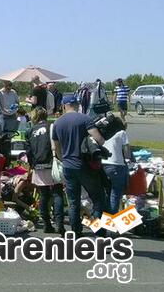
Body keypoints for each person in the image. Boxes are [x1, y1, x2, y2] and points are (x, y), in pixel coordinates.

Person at [52, 95, 107, 235]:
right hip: (85, 165)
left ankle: (76, 233)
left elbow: (56, 147)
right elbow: (99, 140)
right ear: (77, 104)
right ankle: (99, 234)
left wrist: (63, 159)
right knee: (98, 198)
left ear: (64, 106)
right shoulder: (85, 119)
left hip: (68, 166)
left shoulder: (57, 122)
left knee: (73, 201)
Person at [25, 107, 64, 234]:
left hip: (38, 165)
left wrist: (31, 167)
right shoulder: (52, 127)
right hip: (52, 163)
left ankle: (47, 224)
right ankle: (59, 224)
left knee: (43, 195)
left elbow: (29, 152)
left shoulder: (30, 131)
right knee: (57, 193)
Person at [102, 119, 130, 214]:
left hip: (103, 164)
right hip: (116, 165)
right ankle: (112, 216)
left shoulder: (104, 133)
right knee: (115, 193)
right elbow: (127, 152)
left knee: (106, 191)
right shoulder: (122, 133)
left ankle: (104, 215)